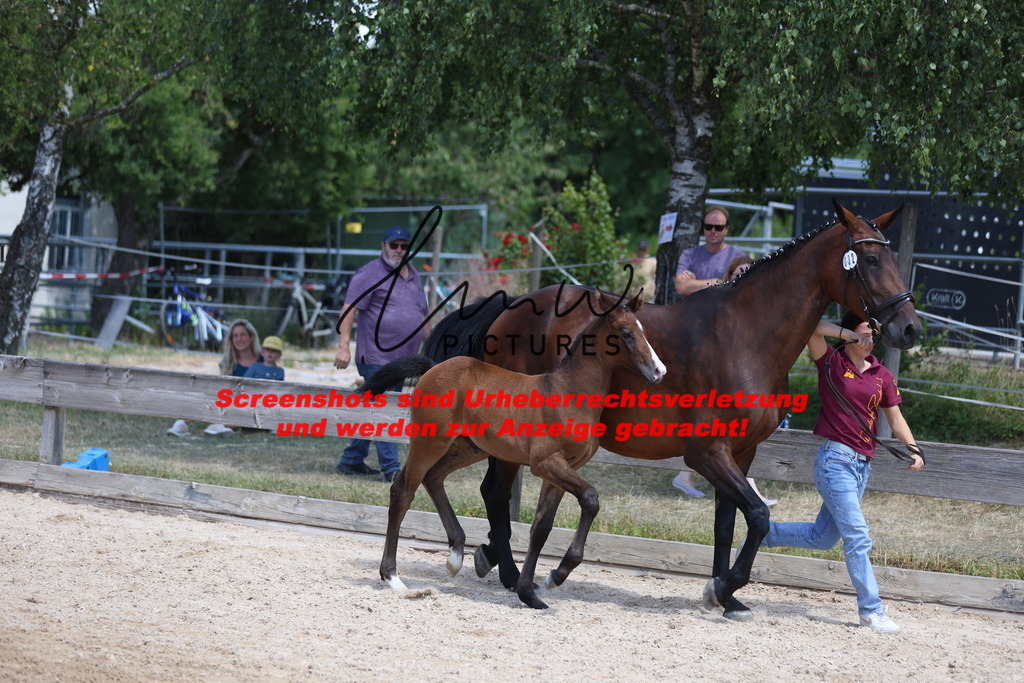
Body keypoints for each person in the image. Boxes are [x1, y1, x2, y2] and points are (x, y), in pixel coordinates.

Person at [759, 311, 925, 633]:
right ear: (847, 334)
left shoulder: (882, 374)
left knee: (821, 538)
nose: (869, 339)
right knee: (858, 537)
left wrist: (914, 447)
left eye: (873, 334)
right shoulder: (832, 363)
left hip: (862, 467)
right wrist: (850, 336)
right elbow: (810, 326)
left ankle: (761, 532)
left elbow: (896, 419)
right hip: (835, 461)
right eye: (864, 332)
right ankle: (871, 610)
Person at [334, 226, 431, 482]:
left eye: (403, 246)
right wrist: (343, 345)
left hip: (405, 360)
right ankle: (392, 469)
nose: (399, 250)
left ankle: (351, 459)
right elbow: (348, 310)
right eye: (393, 245)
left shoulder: (414, 276)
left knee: (374, 406)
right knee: (385, 407)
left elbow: (423, 315)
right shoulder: (368, 274)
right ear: (383, 246)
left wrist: (433, 350)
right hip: (375, 356)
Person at [167, 319, 262, 437]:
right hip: (231, 401)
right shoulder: (228, 362)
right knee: (202, 397)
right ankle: (180, 425)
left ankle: (219, 427)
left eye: (243, 335)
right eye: (235, 336)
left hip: (253, 404)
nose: (239, 339)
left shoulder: (263, 360)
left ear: (251, 337)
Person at [674, 206, 747, 297]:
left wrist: (694, 283)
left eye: (718, 227)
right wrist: (718, 282)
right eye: (708, 227)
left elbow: (739, 289)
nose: (713, 231)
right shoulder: (688, 255)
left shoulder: (738, 257)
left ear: (726, 229)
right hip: (693, 310)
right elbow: (681, 287)